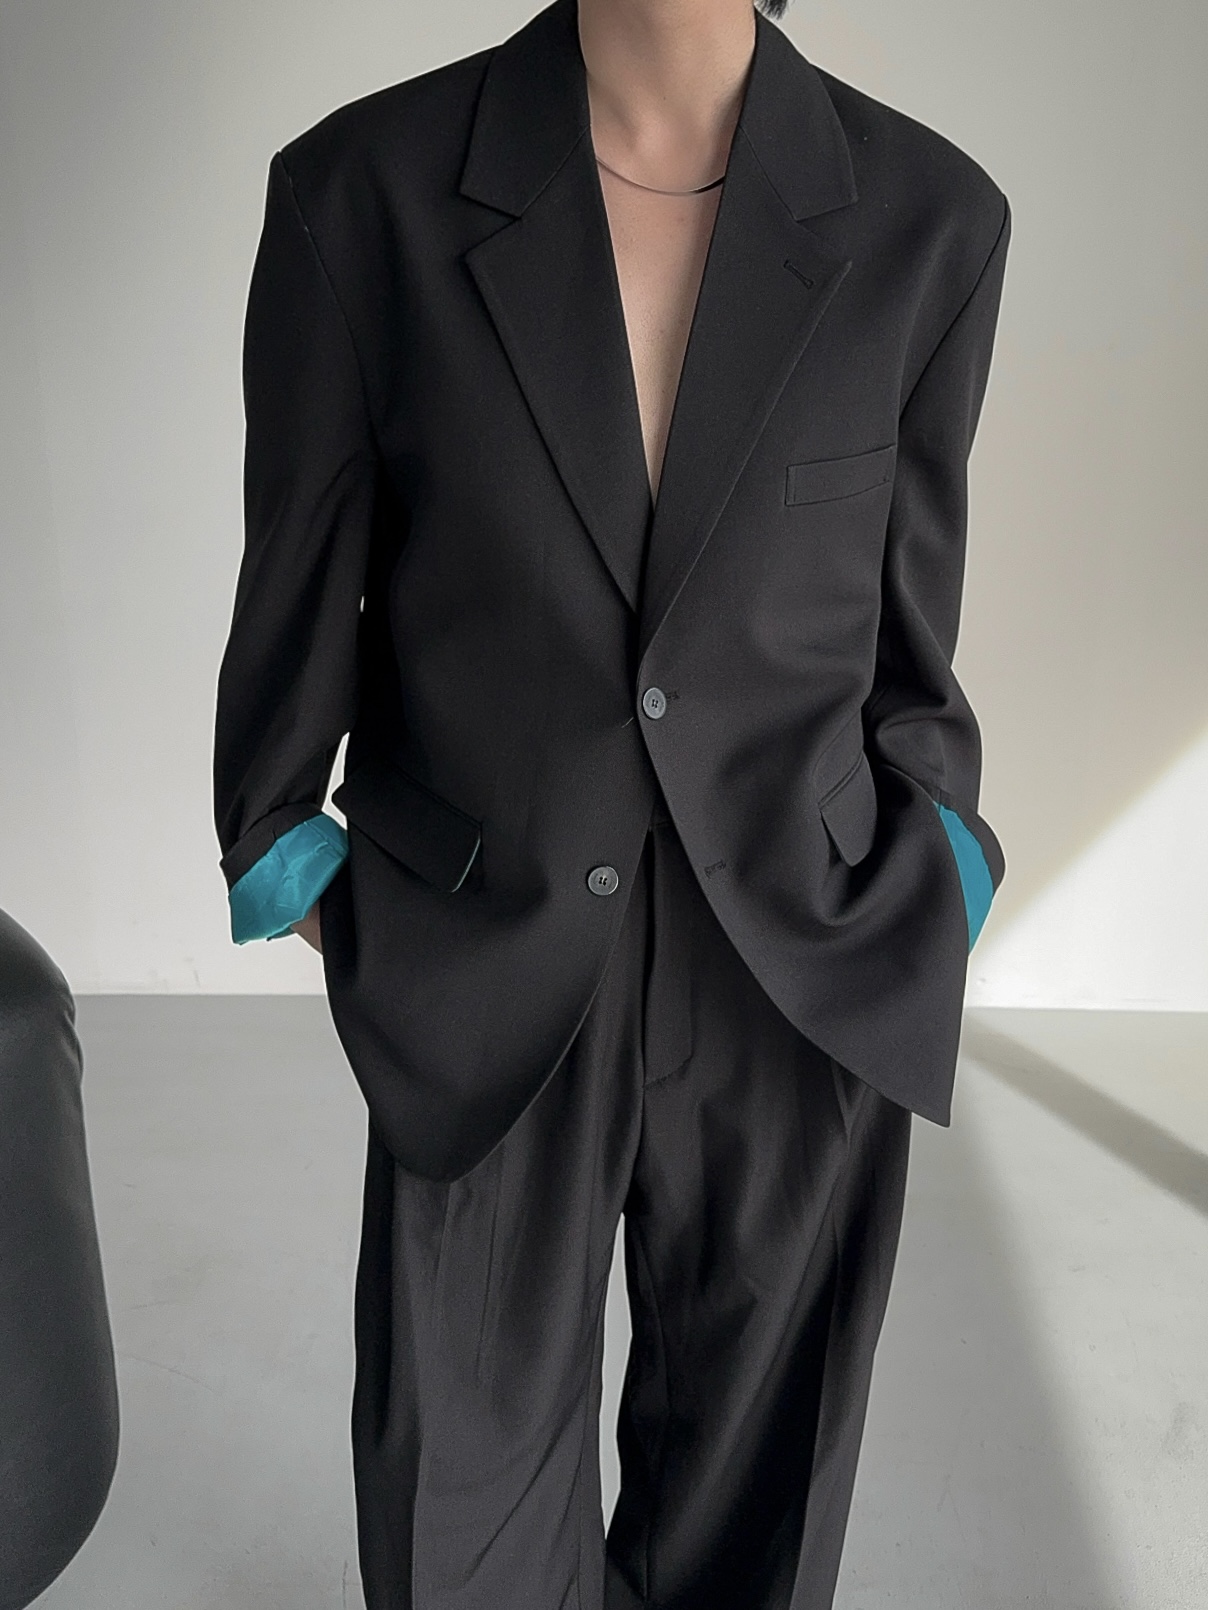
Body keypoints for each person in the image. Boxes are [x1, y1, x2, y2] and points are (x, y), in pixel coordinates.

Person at [212, 0, 1011, 1602]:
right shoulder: (359, 194)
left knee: (756, 1506)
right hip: (482, 945)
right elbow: (300, 574)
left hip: (800, 953)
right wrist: (296, 855)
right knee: (460, 1503)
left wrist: (941, 858)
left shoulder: (931, 219)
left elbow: (912, 630)